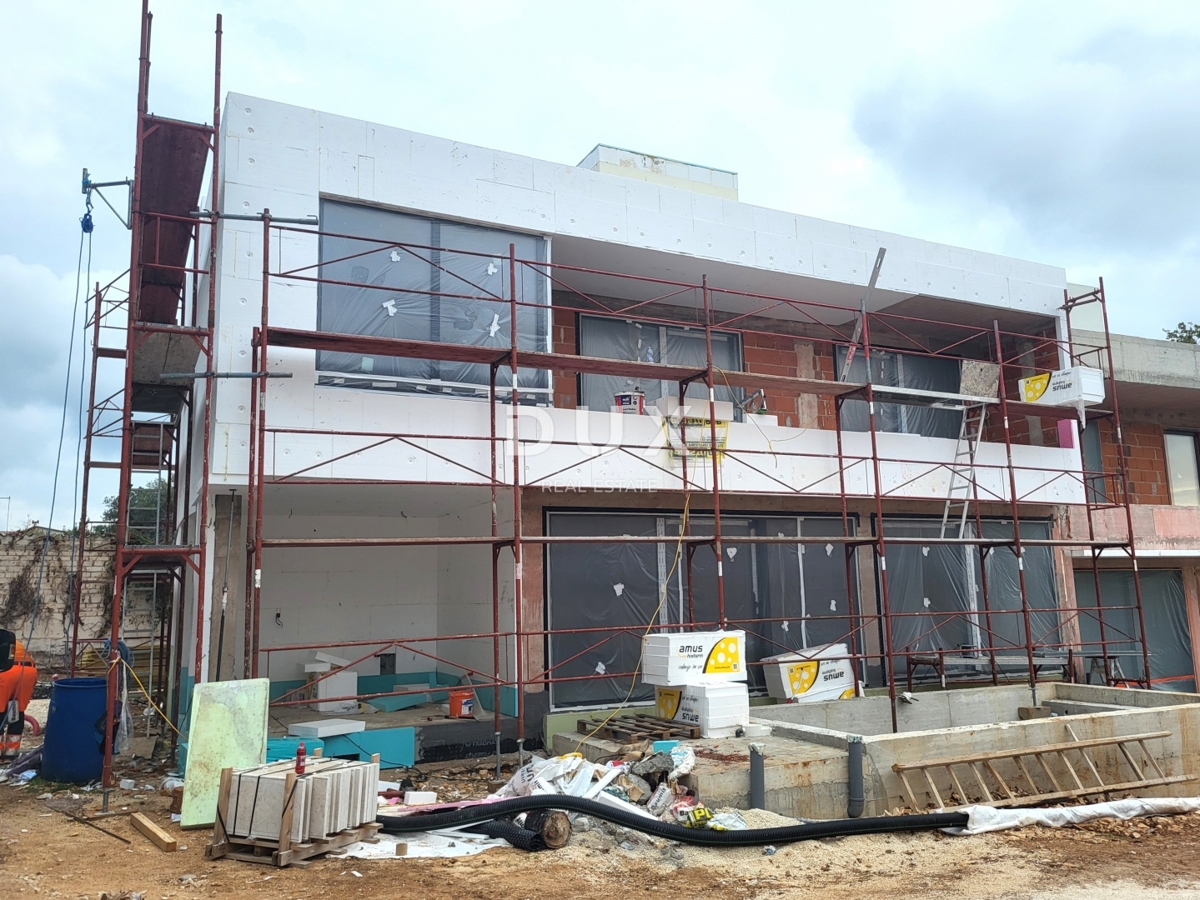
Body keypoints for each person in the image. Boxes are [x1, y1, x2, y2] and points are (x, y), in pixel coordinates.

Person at [0, 638, 38, 761]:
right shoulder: (9, 639)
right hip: (28, 671)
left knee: (0, 711)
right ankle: (11, 754)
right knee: (18, 711)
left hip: (6, 671)